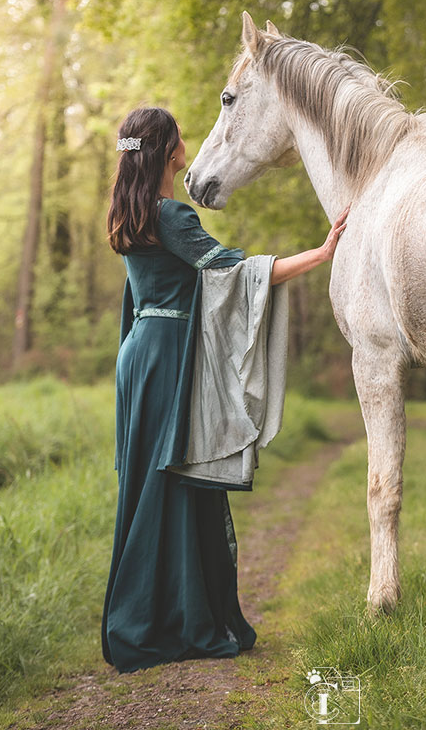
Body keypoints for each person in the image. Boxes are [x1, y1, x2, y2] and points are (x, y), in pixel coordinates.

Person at [101, 106, 348, 673]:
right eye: (180, 136)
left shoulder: (129, 212)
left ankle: (157, 615)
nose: (187, 142)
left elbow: (136, 298)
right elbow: (235, 273)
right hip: (165, 356)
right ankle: (175, 621)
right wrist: (321, 252)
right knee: (178, 476)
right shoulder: (171, 216)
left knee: (150, 482)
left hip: (138, 355)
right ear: (167, 150)